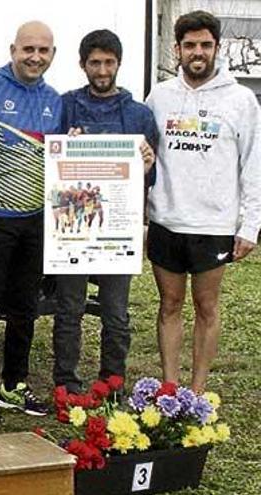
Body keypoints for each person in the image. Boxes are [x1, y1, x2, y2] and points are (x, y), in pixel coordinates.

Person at [146, 11, 260, 393]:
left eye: (205, 45)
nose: (198, 52)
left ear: (217, 47)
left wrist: (250, 225)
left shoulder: (241, 100)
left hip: (214, 226)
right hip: (166, 221)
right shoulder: (159, 96)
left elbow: (254, 165)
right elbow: (143, 156)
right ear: (177, 49)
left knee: (207, 308)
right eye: (190, 45)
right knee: (169, 306)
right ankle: (170, 389)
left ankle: (196, 393)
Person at [0, 21, 61, 421]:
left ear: (53, 54)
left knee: (25, 308)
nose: (35, 57)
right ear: (13, 49)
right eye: (28, 49)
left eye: (43, 51)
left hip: (35, 220)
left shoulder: (55, 99)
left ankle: (13, 385)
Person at [53, 29, 158, 394]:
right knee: (69, 310)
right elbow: (49, 158)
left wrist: (148, 163)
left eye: (108, 62)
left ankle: (111, 383)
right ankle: (66, 383)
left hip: (117, 227)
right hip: (72, 226)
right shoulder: (64, 106)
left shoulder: (139, 115)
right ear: (83, 65)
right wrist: (65, 147)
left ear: (118, 64)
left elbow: (153, 175)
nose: (101, 69)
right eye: (94, 62)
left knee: (116, 313)